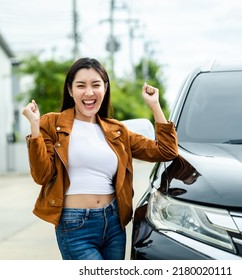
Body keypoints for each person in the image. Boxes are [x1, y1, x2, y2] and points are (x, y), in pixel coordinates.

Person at [22, 57, 178, 260]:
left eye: (96, 85)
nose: (89, 92)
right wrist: (34, 128)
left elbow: (166, 151)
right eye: (81, 85)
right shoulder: (51, 123)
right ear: (70, 90)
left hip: (114, 224)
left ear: (105, 88)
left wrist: (155, 105)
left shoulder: (118, 130)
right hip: (74, 225)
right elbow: (42, 175)